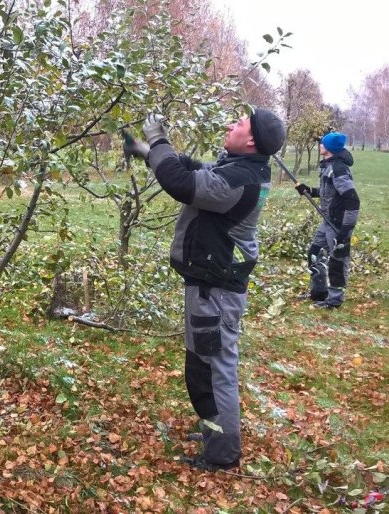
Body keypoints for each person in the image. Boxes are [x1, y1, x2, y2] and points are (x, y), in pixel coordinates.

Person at [125, 108, 286, 471]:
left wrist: (157, 138)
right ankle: (215, 432)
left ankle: (222, 453)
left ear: (251, 140)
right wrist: (147, 151)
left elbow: (182, 184)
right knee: (203, 363)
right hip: (211, 280)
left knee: (213, 369)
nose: (232, 125)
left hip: (216, 287)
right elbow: (190, 169)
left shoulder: (240, 180)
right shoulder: (239, 169)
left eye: (240, 123)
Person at [295, 131, 360, 309]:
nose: (320, 145)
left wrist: (344, 233)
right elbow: (329, 194)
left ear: (329, 148)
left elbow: (352, 201)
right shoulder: (328, 166)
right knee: (314, 253)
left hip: (338, 225)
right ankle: (319, 292)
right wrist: (309, 190)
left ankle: (334, 301)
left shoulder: (338, 169)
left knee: (337, 261)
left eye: (323, 143)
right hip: (327, 221)